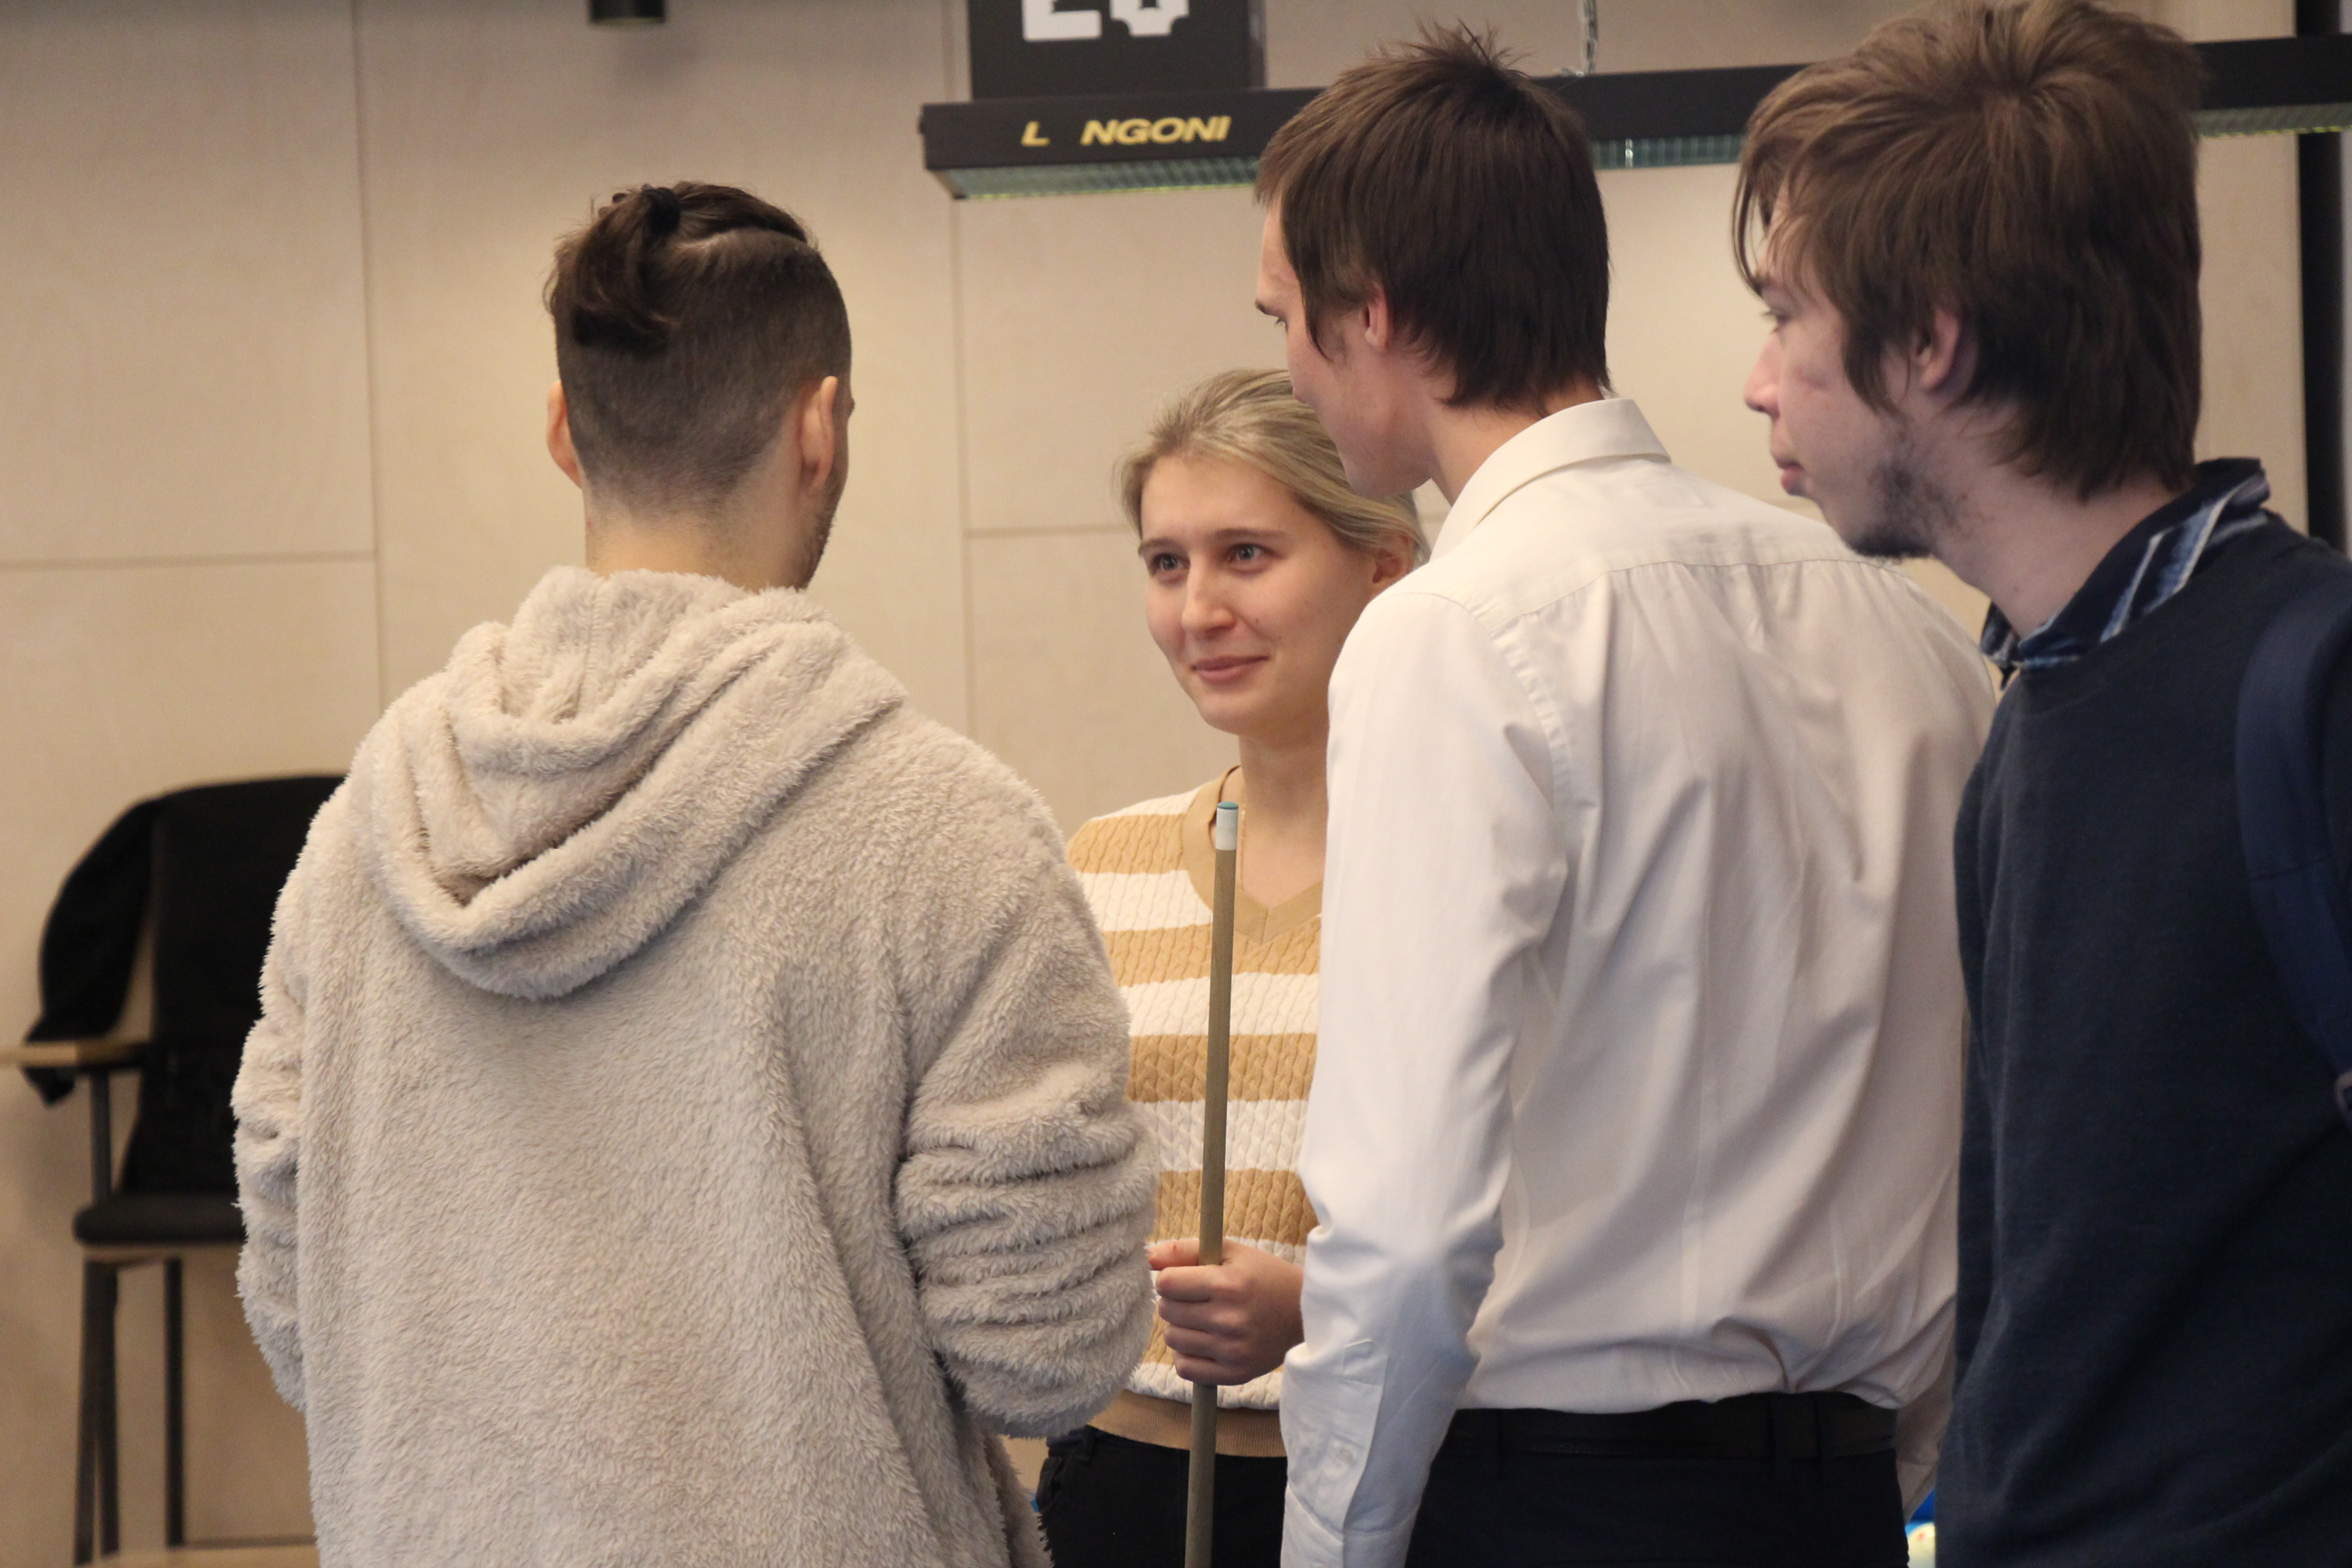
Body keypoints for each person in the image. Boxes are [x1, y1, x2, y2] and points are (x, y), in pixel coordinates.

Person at [230, 182, 1154, 1568]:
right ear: (819, 428)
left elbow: (297, 1302)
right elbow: (1047, 1352)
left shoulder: (366, 836)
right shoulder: (946, 834)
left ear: (563, 431)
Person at [1254, 30, 1996, 1568]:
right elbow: (1984, 1125)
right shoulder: (1907, 628)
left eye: (1286, 323)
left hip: (1561, 1498)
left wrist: (1335, 1547)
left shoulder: (1452, 634)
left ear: (1371, 309)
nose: (1292, 372)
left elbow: (1406, 1223)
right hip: (1845, 1499)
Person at [1737, 4, 2352, 1563]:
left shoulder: (2310, 685)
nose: (1759, 382)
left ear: (1929, 343)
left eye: (1788, 315)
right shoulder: (2038, 704)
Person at [1044, 368, 1423, 1568]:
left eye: (1246, 555)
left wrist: (1314, 1308)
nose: (1197, 610)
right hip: (1114, 1482)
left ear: (1385, 565)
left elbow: (1549, 1226)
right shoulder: (1102, 862)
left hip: (1381, 1476)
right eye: (1167, 564)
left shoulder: (1461, 870)